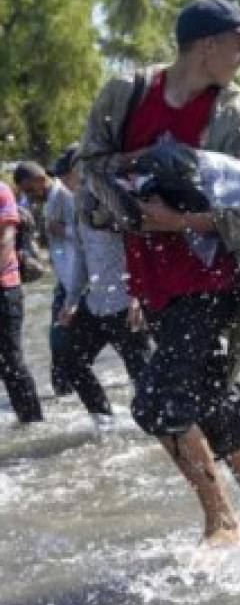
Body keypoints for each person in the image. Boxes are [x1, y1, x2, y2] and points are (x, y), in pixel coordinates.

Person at [79, 0, 240, 547]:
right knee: (214, 397)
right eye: (238, 44)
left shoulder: (239, 112)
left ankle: (221, 520)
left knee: (155, 403)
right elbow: (89, 167)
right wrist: (138, 168)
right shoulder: (127, 95)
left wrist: (180, 219)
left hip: (216, 278)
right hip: (154, 277)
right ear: (205, 45)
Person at [59, 176, 152, 426]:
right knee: (70, 359)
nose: (63, 182)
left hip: (126, 304)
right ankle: (104, 422)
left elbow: (140, 248)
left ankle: (159, 433)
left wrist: (138, 295)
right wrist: (72, 299)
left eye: (65, 175)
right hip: (95, 304)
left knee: (143, 377)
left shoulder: (116, 201)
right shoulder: (81, 208)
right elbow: (81, 255)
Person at [14, 155, 78, 396]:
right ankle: (65, 395)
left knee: (61, 340)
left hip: (78, 280)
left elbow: (87, 234)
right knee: (59, 341)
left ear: (41, 179)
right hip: (64, 279)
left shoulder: (64, 196)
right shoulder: (44, 200)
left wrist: (60, 229)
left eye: (30, 190)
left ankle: (66, 393)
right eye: (25, 192)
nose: (29, 196)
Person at [0, 176, 42, 424]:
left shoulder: (2, 192)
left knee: (10, 361)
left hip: (5, 288)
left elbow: (5, 243)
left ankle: (32, 422)